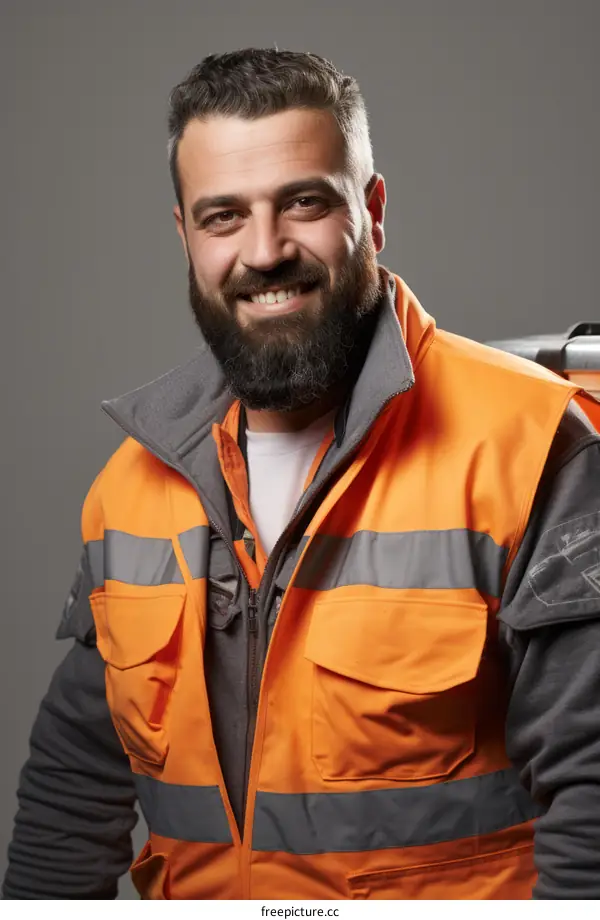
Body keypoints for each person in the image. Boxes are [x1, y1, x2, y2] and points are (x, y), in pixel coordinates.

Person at [3, 48, 600, 902]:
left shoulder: (534, 447)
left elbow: (593, 804)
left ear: (373, 212)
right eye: (223, 217)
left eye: (304, 203)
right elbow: (69, 802)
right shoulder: (132, 488)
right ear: (185, 236)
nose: (265, 251)